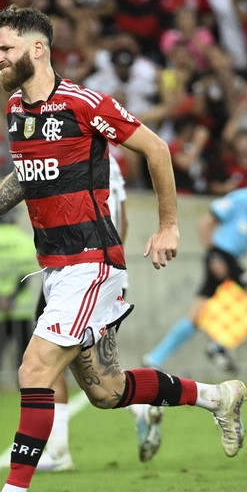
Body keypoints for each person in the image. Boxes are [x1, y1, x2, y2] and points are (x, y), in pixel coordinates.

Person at [0, 6, 247, 492]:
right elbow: (26, 178)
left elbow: (157, 148)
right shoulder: (15, 108)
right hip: (56, 267)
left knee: (33, 370)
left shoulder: (85, 104)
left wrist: (168, 225)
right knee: (106, 391)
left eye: (6, 49)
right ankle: (217, 397)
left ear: (37, 49)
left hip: (92, 262)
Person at [36, 155, 164, 472]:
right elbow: (122, 222)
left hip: (79, 273)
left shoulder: (77, 155)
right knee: (94, 373)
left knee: (45, 363)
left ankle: (58, 450)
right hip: (107, 274)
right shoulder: (112, 163)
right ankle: (141, 409)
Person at [144, 162, 247, 373]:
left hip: (232, 260)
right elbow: (205, 222)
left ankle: (153, 359)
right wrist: (213, 255)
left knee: (196, 317)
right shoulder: (240, 198)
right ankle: (217, 346)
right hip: (220, 254)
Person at [0, 210, 39, 389]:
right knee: (25, 355)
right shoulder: (24, 240)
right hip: (20, 309)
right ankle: (28, 388)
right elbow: (27, 273)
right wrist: (11, 297)